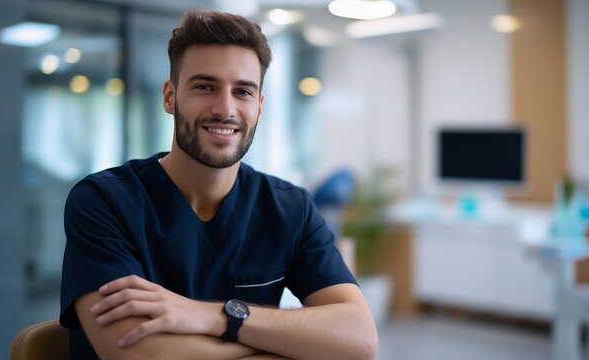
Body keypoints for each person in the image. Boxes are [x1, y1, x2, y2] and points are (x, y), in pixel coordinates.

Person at [60, 9, 378, 360]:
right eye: (204, 87)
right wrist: (283, 343)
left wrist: (214, 315)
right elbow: (137, 353)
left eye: (242, 91)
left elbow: (358, 338)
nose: (225, 109)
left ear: (259, 107)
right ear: (169, 97)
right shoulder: (104, 202)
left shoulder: (290, 208)